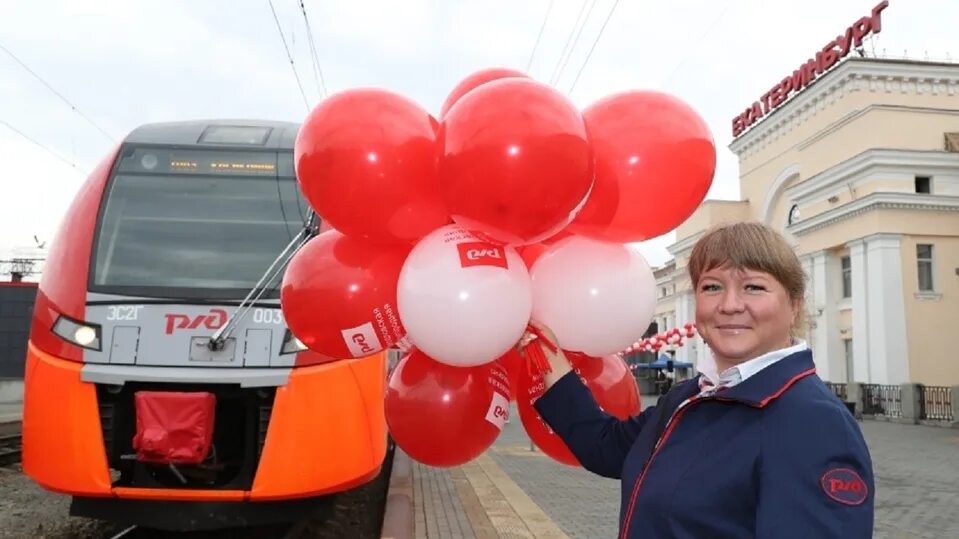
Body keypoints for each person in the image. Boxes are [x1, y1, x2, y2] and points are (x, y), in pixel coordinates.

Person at [523, 222, 874, 539]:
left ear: (794, 304)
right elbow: (605, 447)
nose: (729, 304)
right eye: (711, 287)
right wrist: (550, 364)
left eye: (753, 287)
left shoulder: (813, 422)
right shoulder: (689, 398)